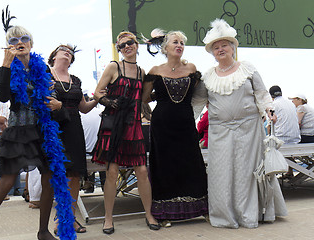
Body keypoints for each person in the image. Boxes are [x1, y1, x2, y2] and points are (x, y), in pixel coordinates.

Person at [0, 22, 71, 240]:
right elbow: (5, 96)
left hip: (42, 129)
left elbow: (50, 94)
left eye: (23, 38)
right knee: (7, 181)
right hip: (18, 130)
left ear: (31, 42)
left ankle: (43, 231)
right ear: (8, 47)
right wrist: (5, 66)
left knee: (49, 177)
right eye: (13, 41)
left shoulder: (42, 67)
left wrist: (56, 103)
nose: (19, 43)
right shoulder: (7, 68)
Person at [195, 18, 287, 228]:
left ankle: (249, 214)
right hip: (219, 132)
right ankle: (225, 216)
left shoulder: (248, 69)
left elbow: (262, 95)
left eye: (224, 45)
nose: (220, 49)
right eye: (216, 47)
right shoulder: (207, 77)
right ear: (212, 52)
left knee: (248, 172)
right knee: (221, 173)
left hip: (250, 129)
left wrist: (269, 111)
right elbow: (198, 103)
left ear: (233, 47)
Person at [92, 31, 160, 234]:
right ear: (119, 49)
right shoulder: (114, 66)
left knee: (142, 171)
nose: (127, 47)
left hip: (134, 124)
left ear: (137, 45)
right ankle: (108, 218)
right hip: (113, 123)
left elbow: (144, 98)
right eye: (122, 45)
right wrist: (109, 101)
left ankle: (149, 214)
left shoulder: (141, 71)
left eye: (130, 43)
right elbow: (97, 92)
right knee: (112, 172)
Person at [142, 29, 208, 225]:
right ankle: (164, 214)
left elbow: (196, 94)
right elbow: (145, 98)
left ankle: (200, 208)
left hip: (186, 123)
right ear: (165, 48)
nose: (179, 45)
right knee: (163, 165)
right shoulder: (154, 70)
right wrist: (160, 96)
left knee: (192, 162)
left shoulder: (192, 69)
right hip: (162, 125)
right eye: (175, 42)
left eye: (181, 43)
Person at [46, 44, 99, 234]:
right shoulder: (45, 74)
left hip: (75, 128)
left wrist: (98, 99)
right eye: (63, 49)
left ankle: (70, 217)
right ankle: (60, 218)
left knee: (75, 173)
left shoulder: (75, 80)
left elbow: (83, 107)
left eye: (71, 51)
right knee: (59, 173)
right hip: (54, 128)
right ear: (54, 55)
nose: (68, 52)